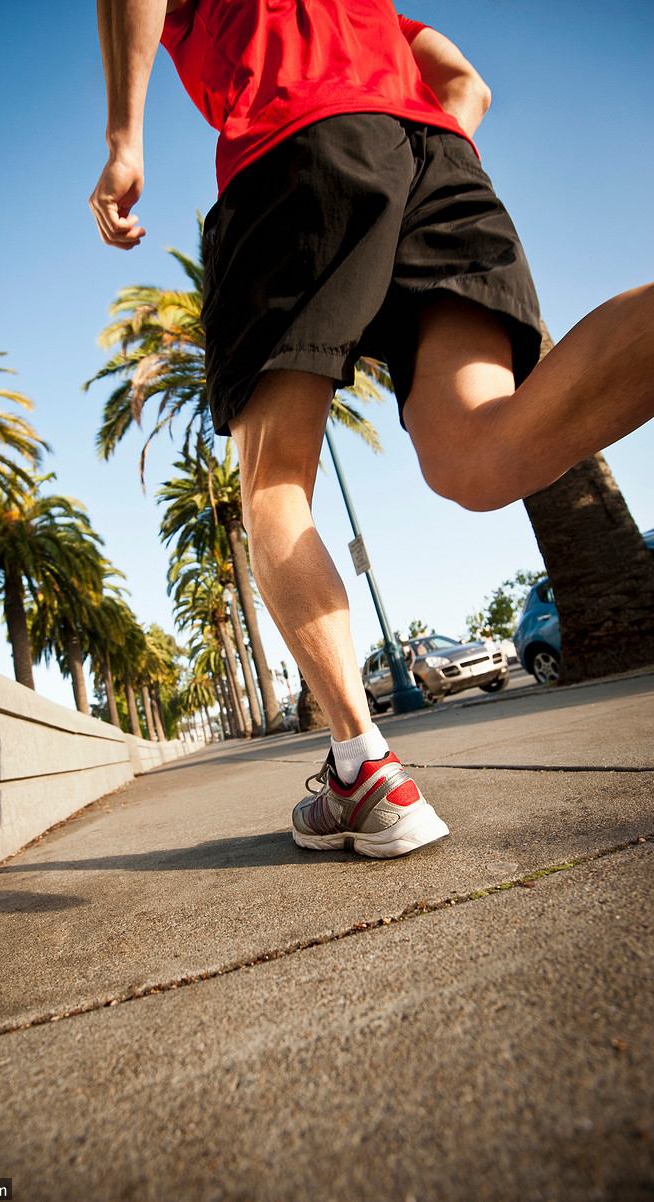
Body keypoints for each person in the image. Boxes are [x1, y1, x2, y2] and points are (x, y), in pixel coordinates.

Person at [90, 0, 654, 859]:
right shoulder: (374, 11)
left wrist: (124, 137)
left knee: (275, 479)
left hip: (295, 155)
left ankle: (360, 771)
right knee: (480, 451)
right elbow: (471, 84)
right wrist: (429, 156)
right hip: (437, 159)